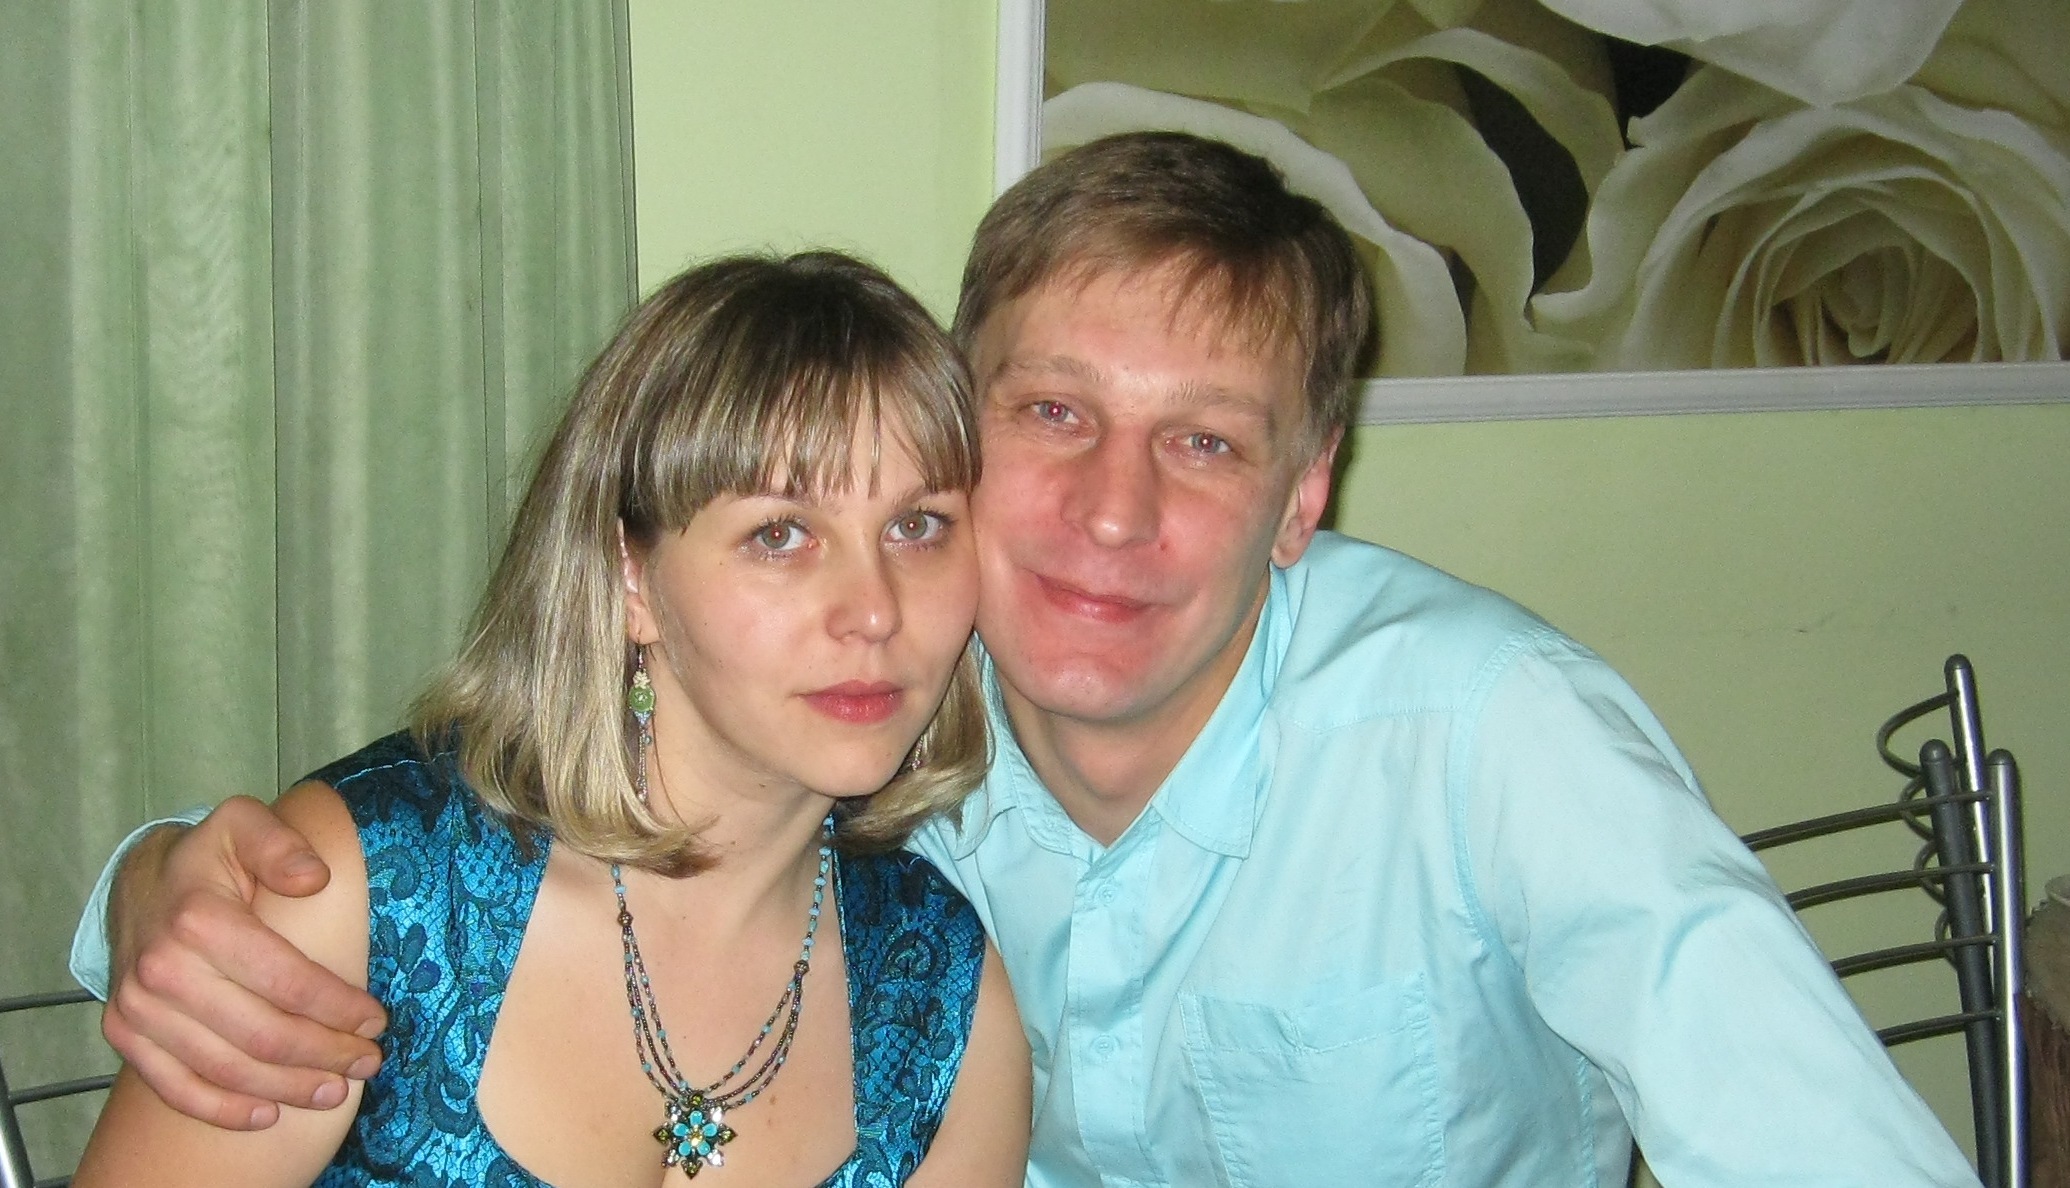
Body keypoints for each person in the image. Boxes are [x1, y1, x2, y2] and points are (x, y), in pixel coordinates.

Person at [73, 134, 1978, 1186]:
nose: (1112, 512)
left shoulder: (1486, 734)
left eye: (1206, 443)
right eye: (1052, 415)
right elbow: (477, 837)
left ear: (1305, 493)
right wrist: (164, 881)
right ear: (953, 432)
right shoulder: (890, 725)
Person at [70, 251, 1030, 1187]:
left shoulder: (945, 1009)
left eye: (918, 527)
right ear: (629, 578)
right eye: (780, 535)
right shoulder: (366, 898)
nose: (874, 611)